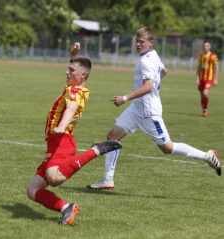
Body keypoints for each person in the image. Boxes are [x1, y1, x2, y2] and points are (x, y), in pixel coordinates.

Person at [87, 27, 222, 191]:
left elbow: (149, 87)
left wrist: (124, 98)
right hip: (137, 108)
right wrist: (145, 88)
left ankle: (206, 156)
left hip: (148, 112)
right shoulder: (153, 55)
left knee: (168, 148)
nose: (138, 44)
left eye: (141, 42)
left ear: (150, 43)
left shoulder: (146, 60)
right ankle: (107, 180)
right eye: (136, 41)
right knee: (112, 136)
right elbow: (164, 71)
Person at [26, 43, 122, 226]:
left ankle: (96, 150)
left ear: (82, 75)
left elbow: (72, 107)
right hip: (54, 143)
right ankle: (66, 208)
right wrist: (73, 55)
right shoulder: (77, 86)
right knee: (32, 189)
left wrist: (62, 125)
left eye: (71, 70)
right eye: (68, 68)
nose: (66, 72)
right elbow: (78, 69)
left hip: (62, 140)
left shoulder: (75, 91)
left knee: (54, 178)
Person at [195, 41, 219, 117]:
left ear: (210, 47)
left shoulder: (213, 56)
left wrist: (215, 79)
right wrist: (197, 78)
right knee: (202, 95)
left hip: (209, 79)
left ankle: (206, 107)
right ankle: (204, 110)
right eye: (204, 46)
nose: (205, 47)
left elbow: (216, 67)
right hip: (201, 78)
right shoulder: (201, 56)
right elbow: (199, 68)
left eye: (207, 46)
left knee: (205, 93)